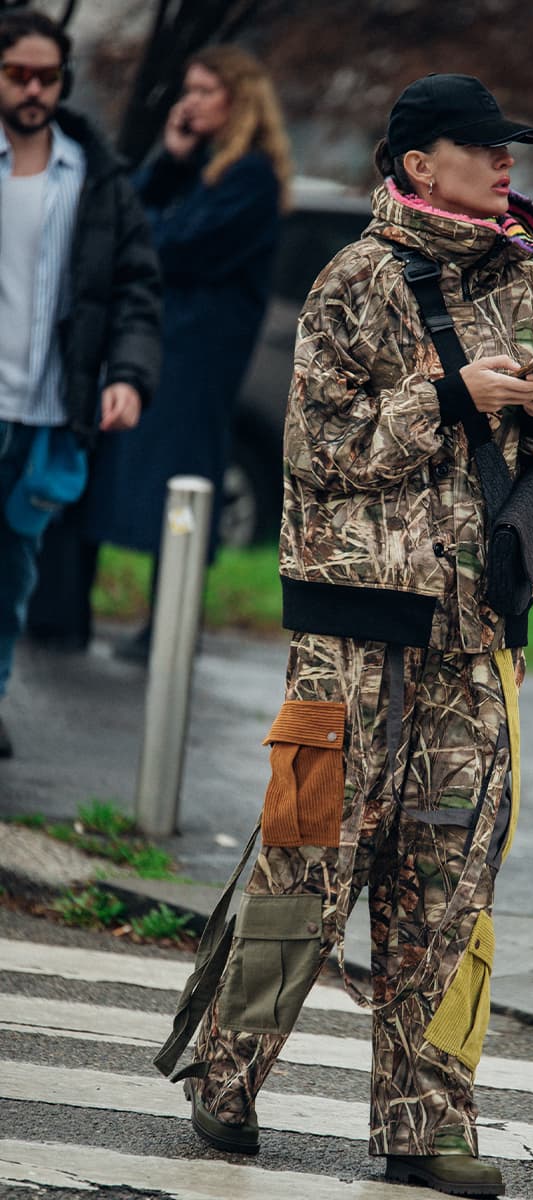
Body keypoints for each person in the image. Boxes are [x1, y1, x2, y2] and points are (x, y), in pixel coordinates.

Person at [155, 74, 533, 1197]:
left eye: (509, 146)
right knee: (309, 872)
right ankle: (225, 1075)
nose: (506, 164)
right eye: (482, 147)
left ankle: (424, 1127)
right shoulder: (353, 279)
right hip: (351, 642)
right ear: (415, 164)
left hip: (474, 637)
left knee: (447, 891)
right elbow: (319, 450)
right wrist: (452, 396)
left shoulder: (523, 282)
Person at [29, 44, 291, 662]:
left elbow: (166, 245)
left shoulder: (248, 177)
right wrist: (168, 160)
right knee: (108, 468)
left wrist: (155, 214)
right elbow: (127, 219)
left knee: (180, 479)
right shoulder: (197, 165)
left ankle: (167, 627)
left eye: (204, 90)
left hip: (198, 354)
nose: (188, 101)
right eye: (188, 88)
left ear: (238, 99)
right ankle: (65, 613)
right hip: (152, 342)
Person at [0, 8, 161, 759]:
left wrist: (126, 375)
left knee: (12, 575)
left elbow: (134, 287)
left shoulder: (92, 175)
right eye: (17, 74)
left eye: (47, 76)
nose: (34, 89)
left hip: (46, 413)